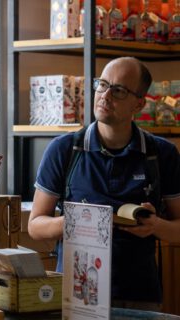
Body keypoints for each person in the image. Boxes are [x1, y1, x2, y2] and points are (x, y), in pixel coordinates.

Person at [29, 56, 180, 311]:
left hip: (139, 296)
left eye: (119, 90)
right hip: (75, 294)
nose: (105, 95)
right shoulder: (64, 150)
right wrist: (80, 222)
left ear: (139, 104)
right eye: (102, 84)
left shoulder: (161, 154)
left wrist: (155, 225)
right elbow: (35, 226)